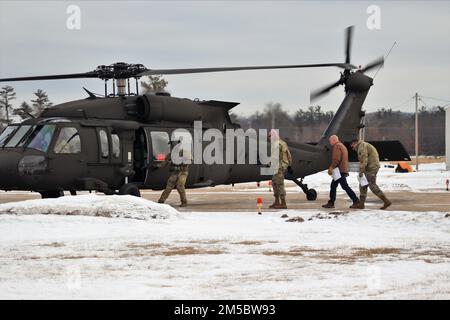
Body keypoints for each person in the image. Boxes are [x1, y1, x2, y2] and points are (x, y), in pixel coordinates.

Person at [351, 139, 392, 210]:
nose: (352, 147)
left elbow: (364, 160)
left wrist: (361, 171)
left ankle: (386, 201)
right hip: (370, 167)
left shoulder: (361, 146)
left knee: (372, 185)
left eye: (352, 145)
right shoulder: (363, 145)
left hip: (371, 168)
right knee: (362, 184)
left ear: (355, 143)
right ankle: (361, 204)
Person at [322, 135, 359, 209]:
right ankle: (331, 202)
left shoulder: (337, 146)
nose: (330, 142)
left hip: (339, 171)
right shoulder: (342, 146)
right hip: (342, 170)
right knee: (335, 186)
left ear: (333, 140)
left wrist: (331, 167)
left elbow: (336, 159)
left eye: (330, 141)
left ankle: (356, 201)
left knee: (343, 186)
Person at [158, 141, 191, 207]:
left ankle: (184, 202)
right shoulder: (170, 154)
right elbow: (165, 162)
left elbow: (188, 161)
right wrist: (157, 166)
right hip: (175, 172)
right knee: (168, 187)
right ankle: (161, 201)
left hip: (182, 172)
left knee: (180, 186)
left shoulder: (184, 153)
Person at [268, 129, 292, 209]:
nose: (268, 138)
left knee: (279, 184)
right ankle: (277, 202)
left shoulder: (276, 144)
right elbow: (288, 155)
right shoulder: (282, 143)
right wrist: (289, 165)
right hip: (280, 166)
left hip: (279, 167)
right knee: (275, 183)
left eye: (269, 136)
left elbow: (274, 157)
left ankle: (283, 203)